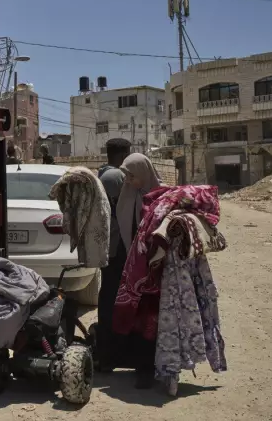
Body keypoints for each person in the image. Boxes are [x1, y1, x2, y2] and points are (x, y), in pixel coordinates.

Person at [114, 152, 163, 389]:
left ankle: (153, 368)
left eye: (132, 176)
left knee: (153, 320)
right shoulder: (128, 194)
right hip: (133, 269)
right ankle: (140, 366)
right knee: (136, 319)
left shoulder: (162, 197)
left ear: (144, 173)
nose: (129, 181)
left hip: (156, 269)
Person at [95, 138, 132, 374]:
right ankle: (109, 353)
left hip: (110, 246)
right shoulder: (116, 177)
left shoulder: (103, 174)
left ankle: (108, 353)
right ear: (122, 156)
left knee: (108, 295)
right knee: (111, 298)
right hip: (116, 248)